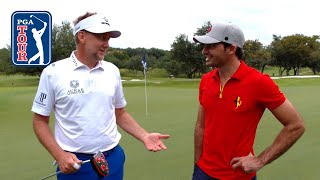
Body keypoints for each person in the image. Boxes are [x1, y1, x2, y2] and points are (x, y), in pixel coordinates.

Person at [31, 12, 170, 180]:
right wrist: (59, 155)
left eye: (108, 39)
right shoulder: (53, 72)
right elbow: (40, 121)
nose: (107, 44)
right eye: (101, 38)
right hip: (76, 163)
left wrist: (144, 136)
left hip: (113, 158)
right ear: (82, 36)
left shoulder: (112, 71)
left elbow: (120, 113)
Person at [192, 22, 305, 180]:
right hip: (203, 173)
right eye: (204, 46)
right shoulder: (206, 81)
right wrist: (198, 165)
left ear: (231, 49)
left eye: (211, 46)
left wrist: (260, 160)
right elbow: (201, 126)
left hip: (239, 176)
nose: (204, 51)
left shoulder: (259, 82)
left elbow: (296, 125)